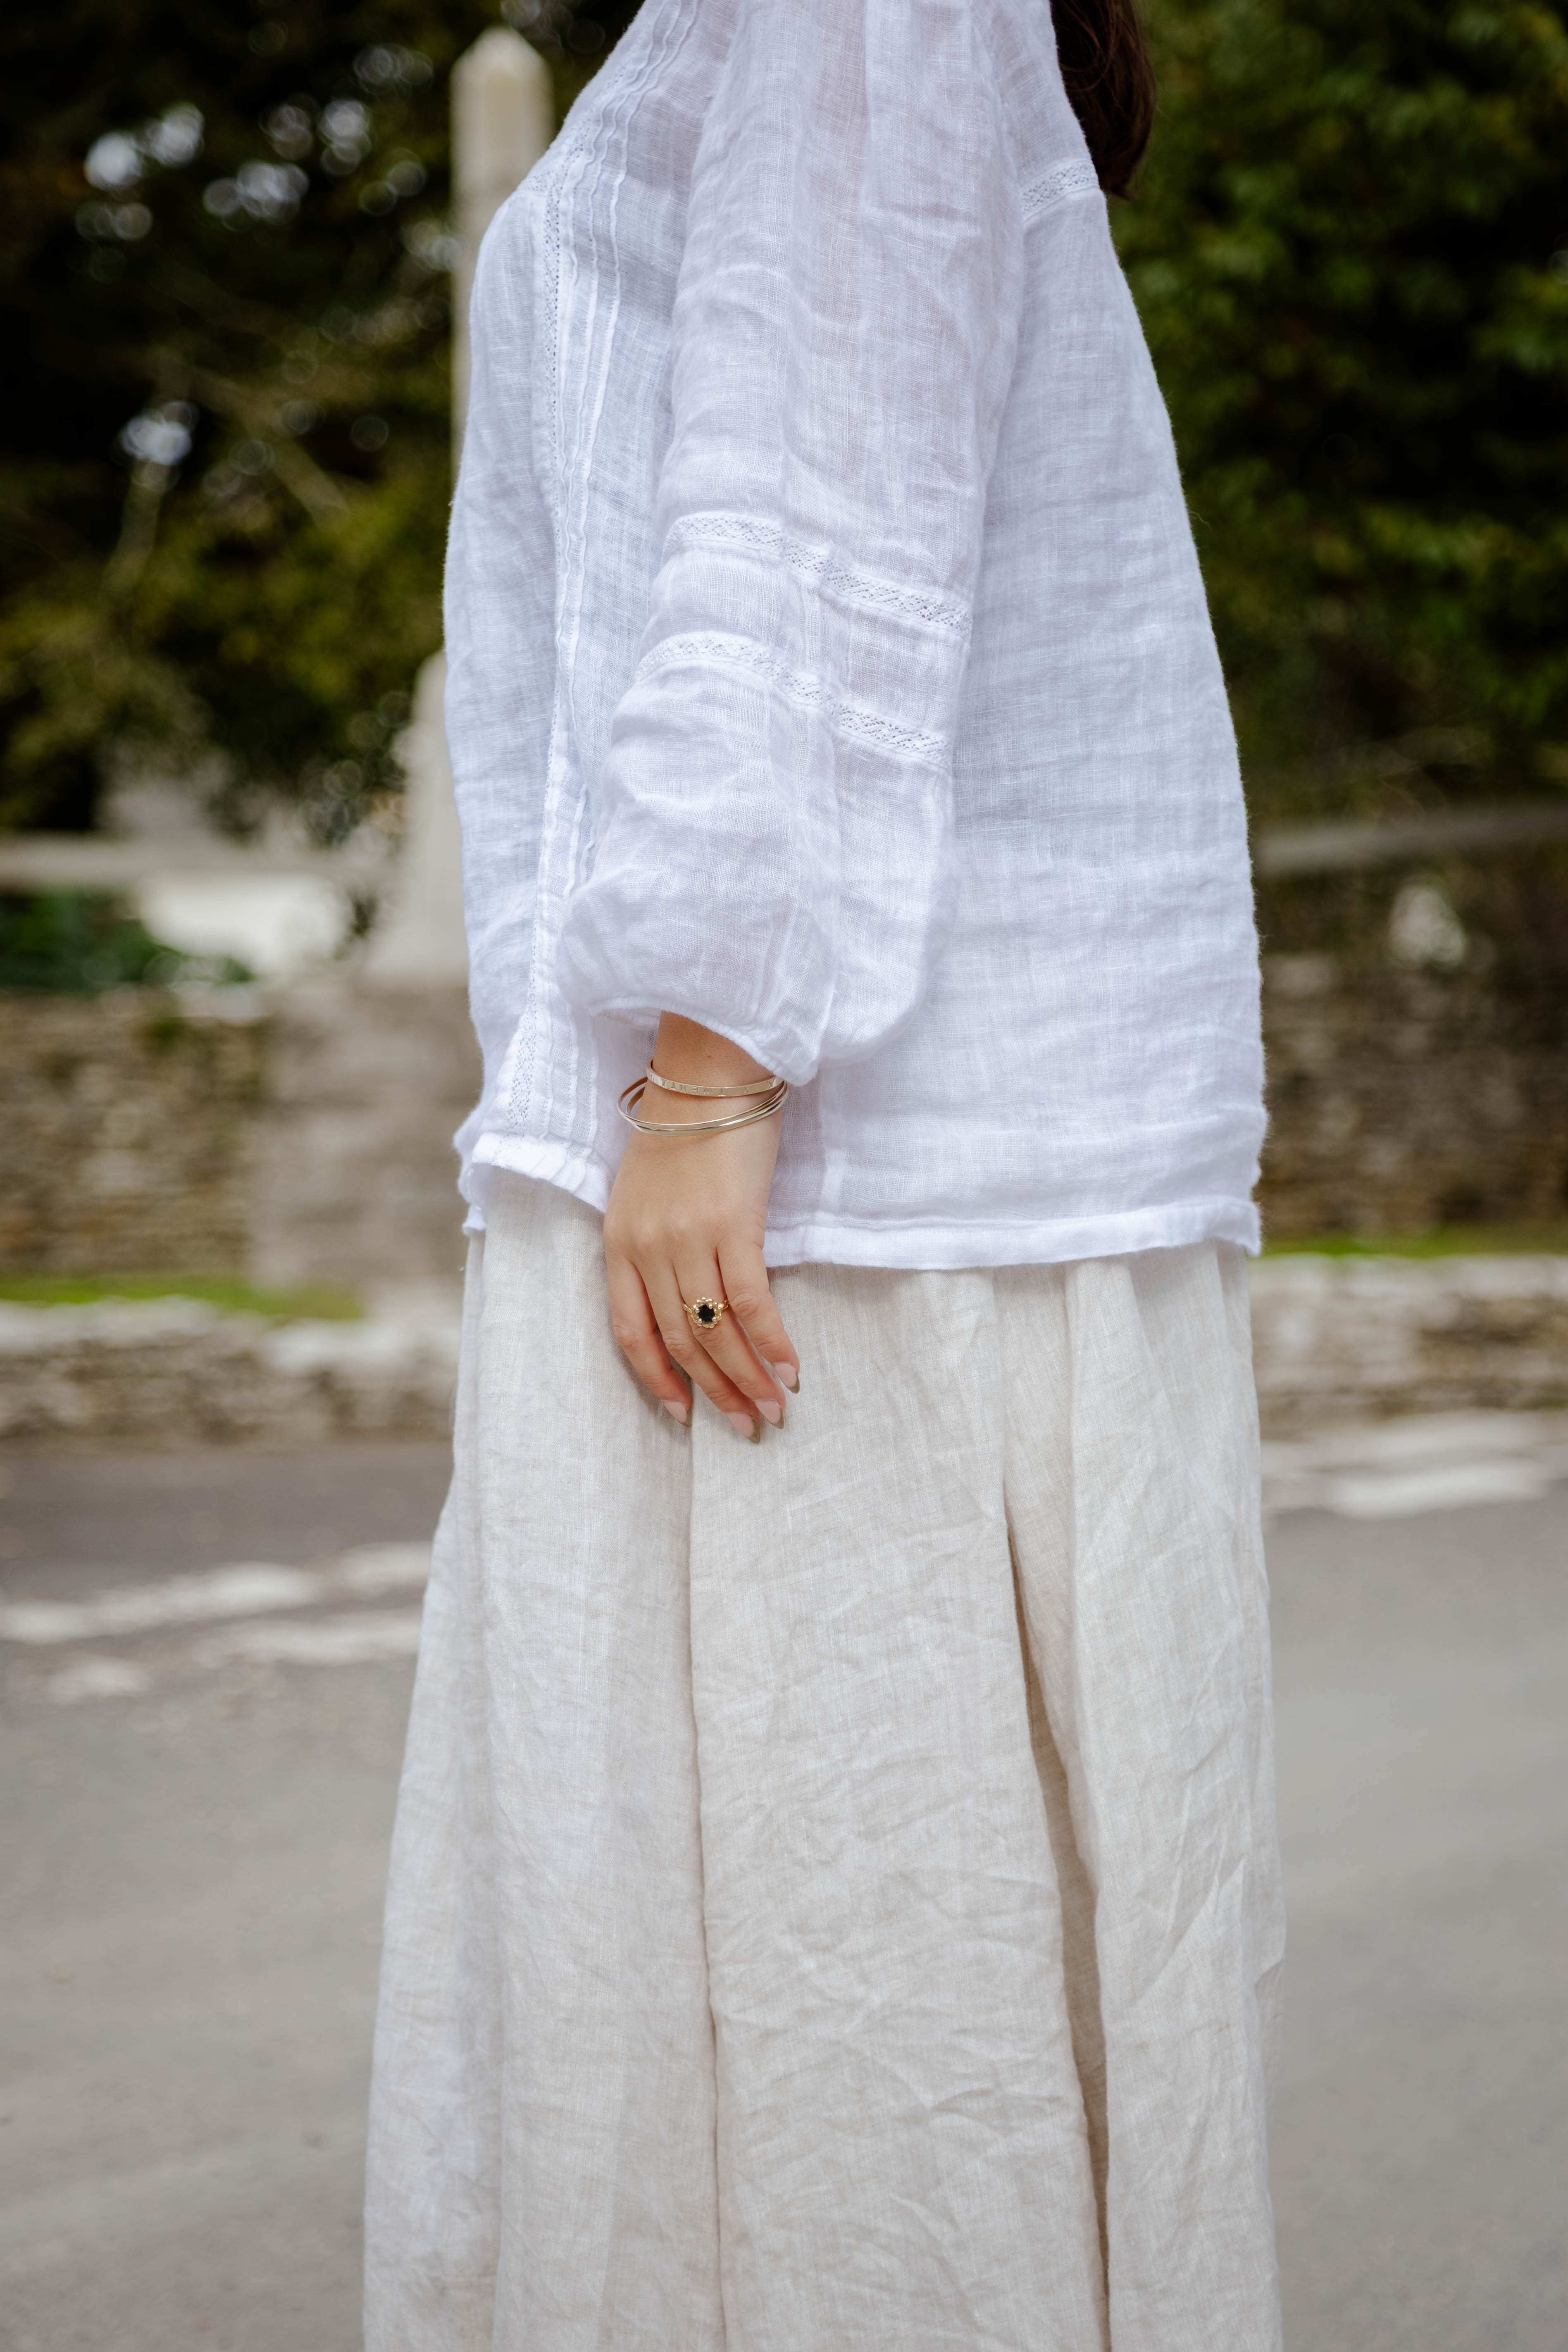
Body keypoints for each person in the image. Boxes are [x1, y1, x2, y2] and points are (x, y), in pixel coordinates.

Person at [364, 0, 1285, 2344]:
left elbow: (813, 503)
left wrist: (705, 1060)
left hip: (839, 1193)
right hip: (819, 1160)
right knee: (810, 2036)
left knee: (853, 2054)